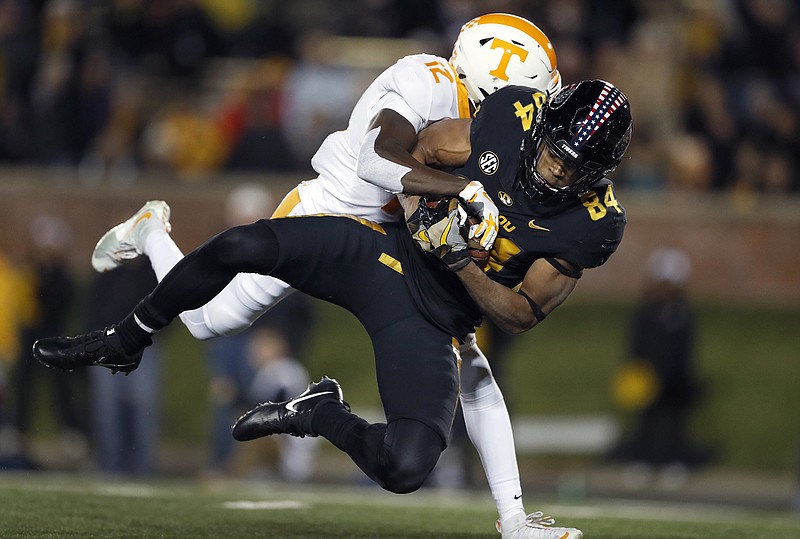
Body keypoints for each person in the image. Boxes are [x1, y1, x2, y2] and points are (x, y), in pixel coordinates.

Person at [34, 79, 631, 539]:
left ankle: (320, 413)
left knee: (407, 466)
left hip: (433, 316)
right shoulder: (510, 115)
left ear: (600, 174)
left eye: (576, 167)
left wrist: (461, 263)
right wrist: (432, 207)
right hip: (383, 254)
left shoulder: (593, 226)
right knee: (245, 243)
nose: (557, 168)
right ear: (542, 121)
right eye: (554, 151)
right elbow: (420, 151)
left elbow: (521, 313)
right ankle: (126, 341)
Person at [608, 248, 713, 469]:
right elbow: (636, 346)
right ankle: (642, 457)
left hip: (674, 380)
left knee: (675, 419)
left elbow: (685, 351)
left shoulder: (682, 315)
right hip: (647, 377)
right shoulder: (645, 313)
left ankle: (673, 458)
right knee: (645, 419)